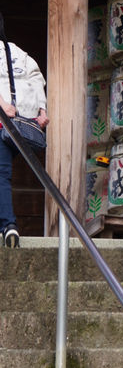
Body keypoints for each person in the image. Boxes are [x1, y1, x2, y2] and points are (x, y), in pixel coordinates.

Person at [0, 39, 48, 248]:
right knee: (3, 174)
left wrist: (3, 105)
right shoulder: (18, 51)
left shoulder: (14, 50)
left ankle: (8, 225)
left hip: (5, 122)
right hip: (23, 122)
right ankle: (7, 224)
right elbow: (36, 78)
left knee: (1, 174)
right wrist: (42, 110)